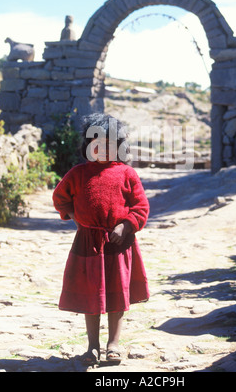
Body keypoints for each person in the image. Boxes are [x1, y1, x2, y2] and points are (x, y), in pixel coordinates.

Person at [52, 113, 150, 366]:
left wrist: (125, 226)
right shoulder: (77, 174)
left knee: (117, 293)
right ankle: (92, 346)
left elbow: (140, 207)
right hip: (88, 244)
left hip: (119, 244)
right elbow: (60, 198)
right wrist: (76, 218)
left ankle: (113, 344)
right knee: (90, 294)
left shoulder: (127, 174)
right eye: (96, 142)